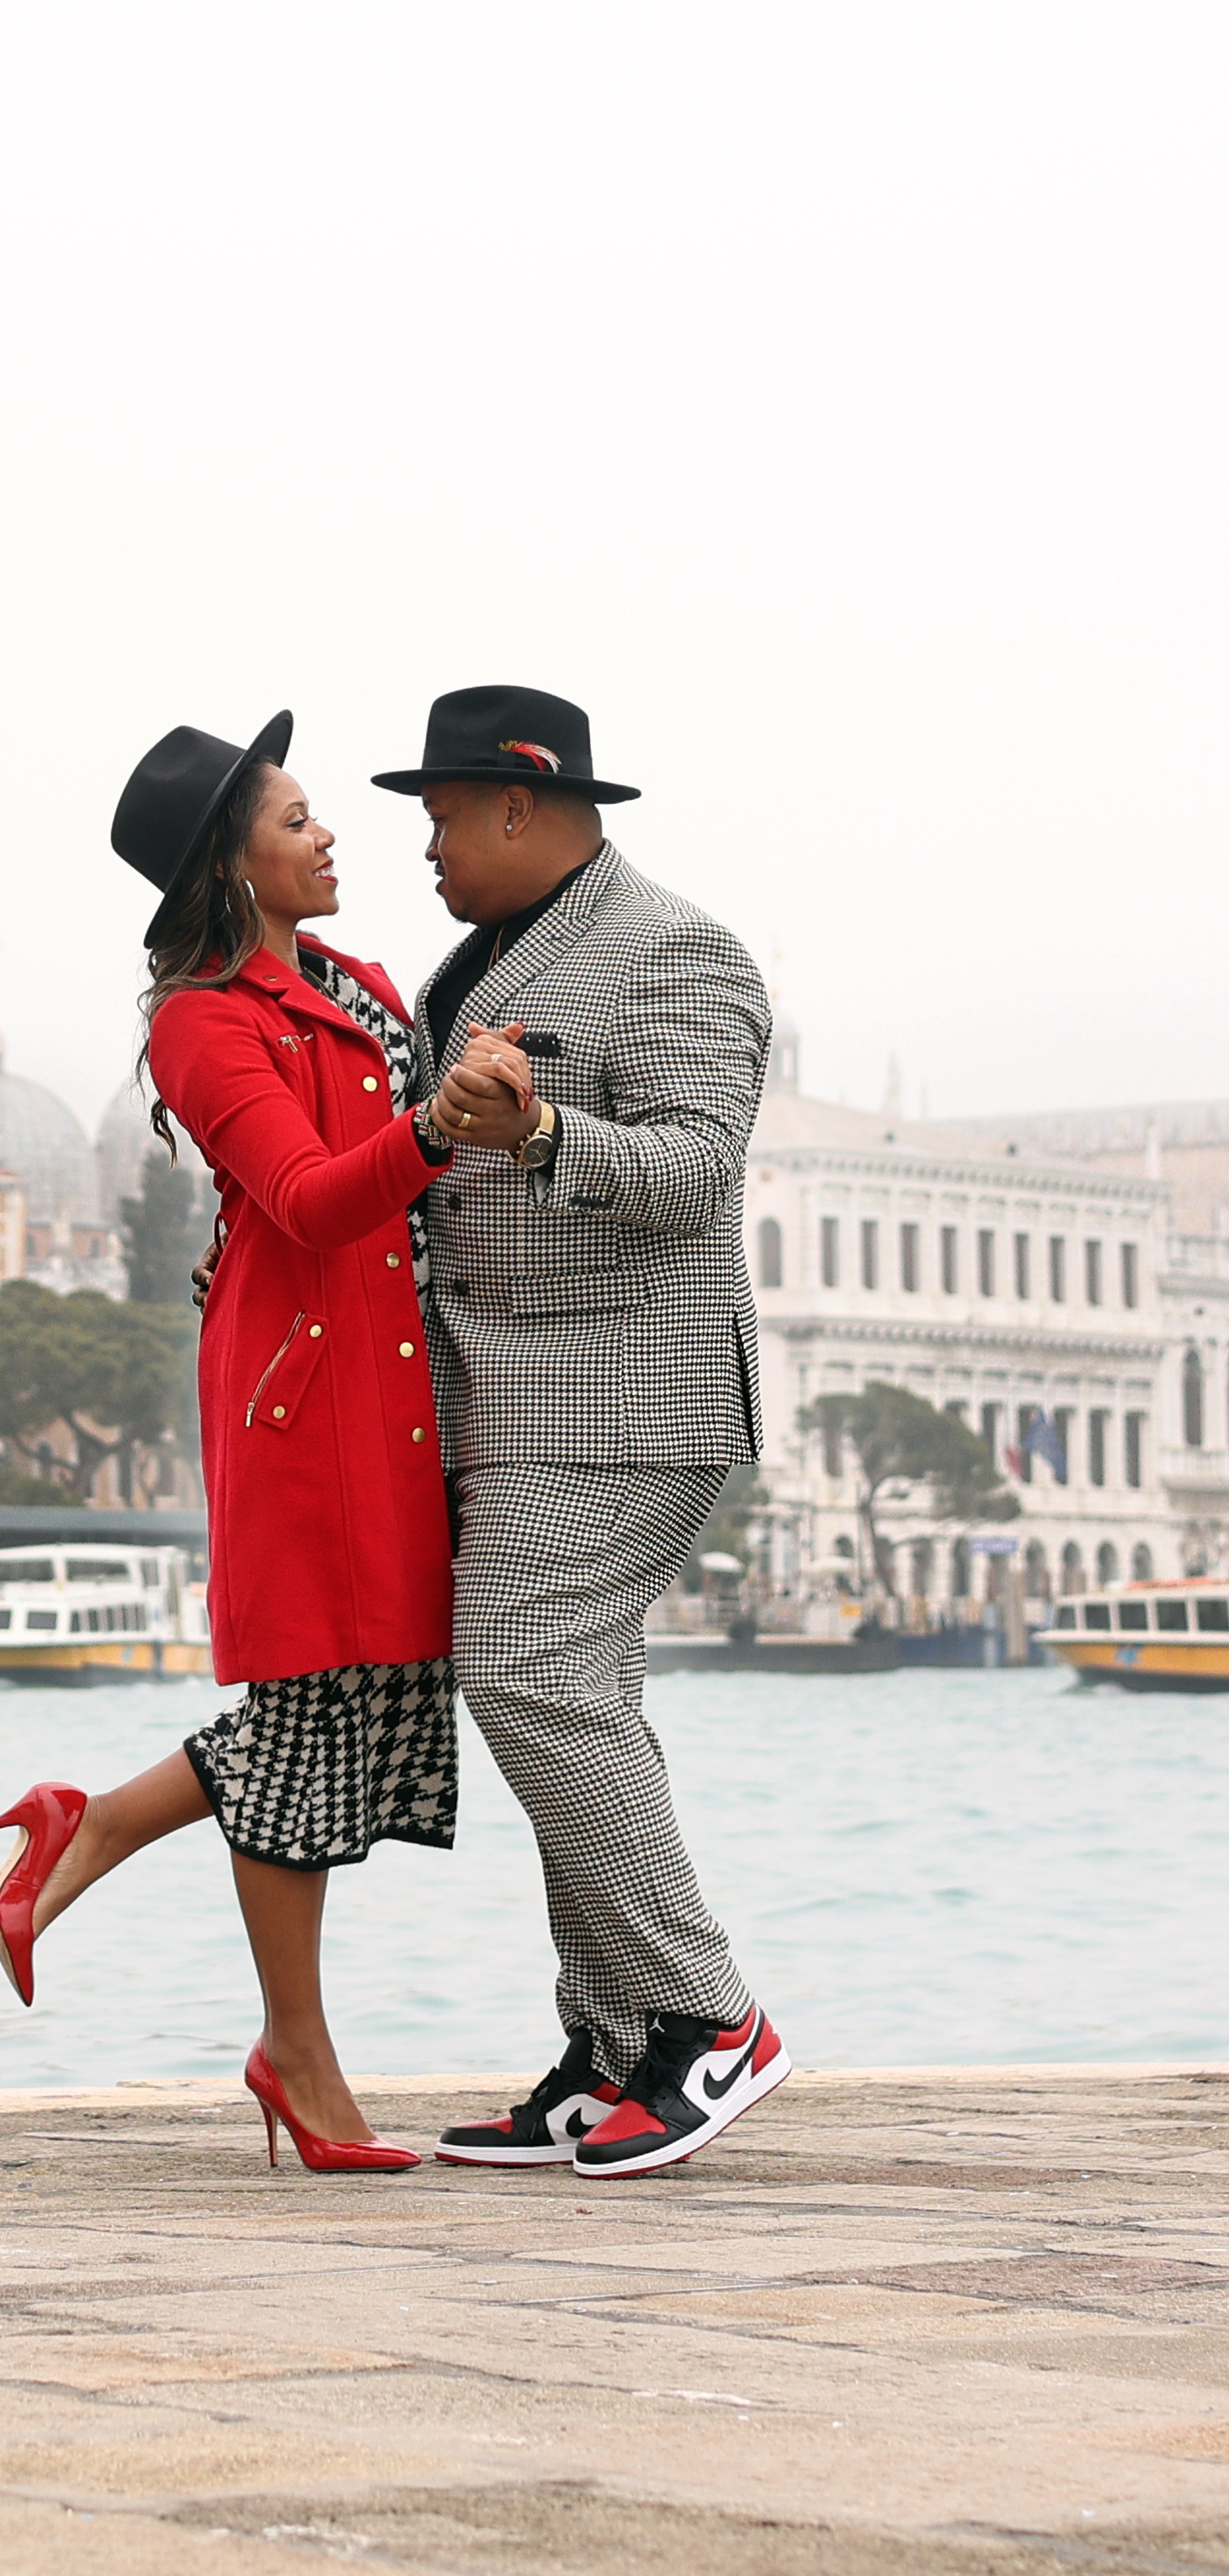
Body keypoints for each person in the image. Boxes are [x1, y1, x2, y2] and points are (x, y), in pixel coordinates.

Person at [0, 711, 459, 2174]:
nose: (326, 835)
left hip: (395, 1386)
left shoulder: (357, 983)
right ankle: (295, 2058)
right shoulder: (201, 1023)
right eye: (296, 818)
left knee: (353, 1706)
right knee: (312, 1709)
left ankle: (89, 1830)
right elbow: (307, 1197)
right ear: (229, 866)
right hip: (309, 1406)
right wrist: (440, 1125)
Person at [370, 683, 790, 2180]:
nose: (421, 848)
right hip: (509, 1395)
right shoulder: (469, 966)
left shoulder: (679, 950)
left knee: (531, 1674)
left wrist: (541, 1135)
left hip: (632, 1391)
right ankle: (613, 2053)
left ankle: (703, 2017)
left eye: (434, 817)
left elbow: (691, 1173)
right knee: (562, 1695)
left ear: (516, 805)